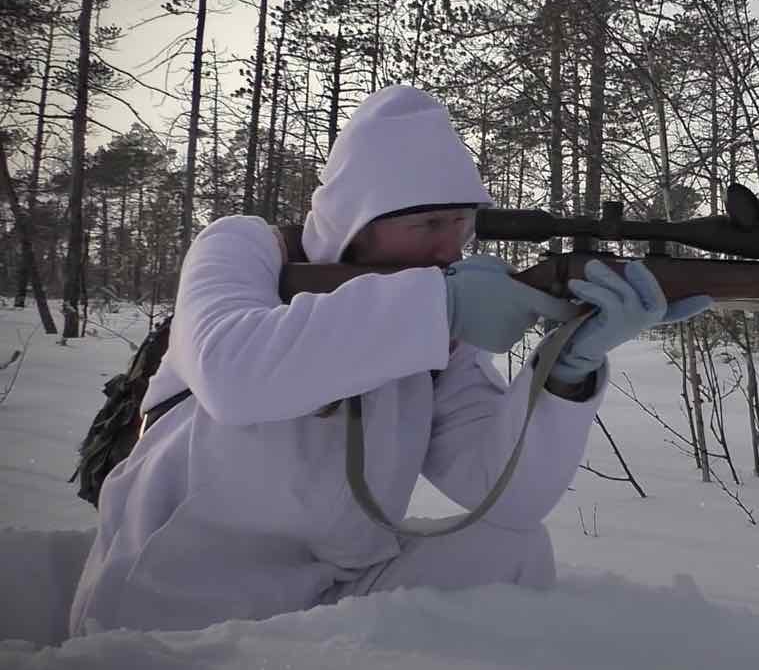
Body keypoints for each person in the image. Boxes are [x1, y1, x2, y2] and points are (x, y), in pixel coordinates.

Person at [68, 85, 710, 635]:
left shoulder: (433, 319)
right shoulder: (242, 248)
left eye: (461, 222)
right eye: (428, 222)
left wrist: (565, 371)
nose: (449, 244)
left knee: (511, 548)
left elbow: (500, 492)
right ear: (359, 219)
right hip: (171, 600)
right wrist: (437, 308)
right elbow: (234, 375)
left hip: (333, 592)